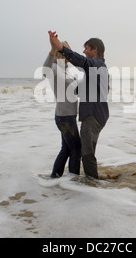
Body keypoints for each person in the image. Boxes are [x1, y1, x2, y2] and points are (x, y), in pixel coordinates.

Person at [48, 30, 109, 179]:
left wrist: (62, 48)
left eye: (86, 48)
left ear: (94, 49)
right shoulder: (59, 69)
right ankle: (73, 179)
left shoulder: (95, 65)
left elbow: (82, 63)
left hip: (91, 116)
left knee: (83, 153)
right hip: (78, 116)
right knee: (75, 150)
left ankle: (89, 183)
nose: (83, 51)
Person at [43, 40, 81, 178]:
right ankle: (73, 181)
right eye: (67, 50)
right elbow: (45, 71)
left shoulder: (66, 71)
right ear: (62, 53)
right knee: (76, 149)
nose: (70, 54)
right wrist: (52, 49)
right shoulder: (55, 68)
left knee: (66, 149)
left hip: (69, 117)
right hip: (64, 118)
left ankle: (55, 177)